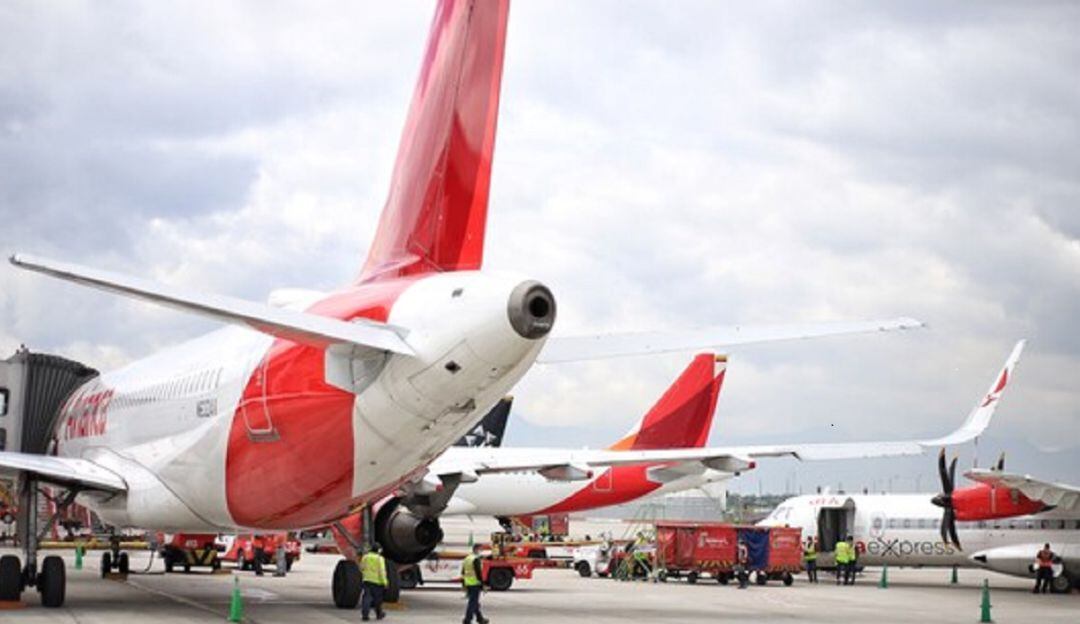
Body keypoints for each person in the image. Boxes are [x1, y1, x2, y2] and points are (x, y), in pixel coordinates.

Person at [461, 543, 488, 624]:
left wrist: (463, 584)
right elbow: (478, 573)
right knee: (472, 603)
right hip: (475, 583)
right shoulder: (475, 559)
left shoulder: (467, 558)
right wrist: (483, 584)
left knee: (474, 602)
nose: (481, 551)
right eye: (480, 549)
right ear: (476, 549)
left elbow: (463, 572)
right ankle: (467, 620)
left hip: (468, 583)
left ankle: (480, 619)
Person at [360, 544, 388, 621]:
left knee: (366, 598)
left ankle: (365, 615)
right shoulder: (380, 559)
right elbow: (382, 571)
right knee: (378, 600)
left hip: (367, 580)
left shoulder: (365, 557)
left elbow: (361, 567)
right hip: (377, 582)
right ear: (378, 550)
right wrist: (385, 582)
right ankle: (379, 614)